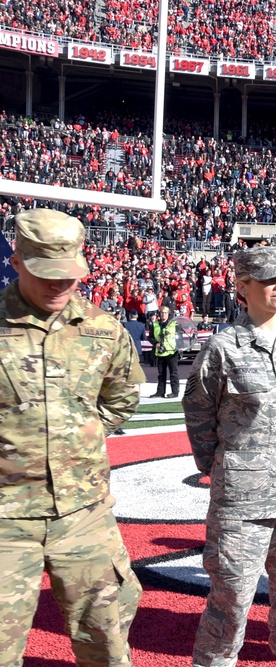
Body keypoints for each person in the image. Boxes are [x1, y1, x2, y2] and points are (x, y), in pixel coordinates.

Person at [0, 209, 145, 666]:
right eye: (47, 274)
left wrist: (77, 438)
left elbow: (122, 396)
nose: (59, 286)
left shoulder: (103, 330)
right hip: (5, 520)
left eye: (70, 275)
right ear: (17, 260)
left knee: (107, 642)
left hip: (84, 516)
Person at [183, 246, 276, 667]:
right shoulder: (223, 348)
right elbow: (198, 412)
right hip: (241, 498)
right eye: (268, 280)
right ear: (243, 287)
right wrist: (224, 466)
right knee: (231, 597)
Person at [150, 304, 180, 398]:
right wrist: (156, 344)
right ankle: (160, 391)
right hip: (160, 352)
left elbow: (180, 336)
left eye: (165, 313)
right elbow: (150, 337)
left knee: (173, 373)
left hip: (172, 352)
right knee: (161, 374)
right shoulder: (155, 324)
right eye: (162, 313)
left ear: (168, 314)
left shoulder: (174, 324)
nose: (163, 314)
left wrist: (180, 347)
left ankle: (175, 392)